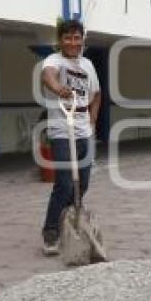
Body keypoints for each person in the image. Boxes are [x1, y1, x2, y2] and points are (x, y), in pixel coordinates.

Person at [40, 19, 101, 255]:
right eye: (68, 38)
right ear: (60, 40)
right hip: (61, 129)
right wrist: (58, 89)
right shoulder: (53, 61)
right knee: (65, 183)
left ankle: (68, 218)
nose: (73, 42)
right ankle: (50, 231)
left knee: (82, 183)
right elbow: (48, 76)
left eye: (77, 38)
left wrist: (93, 121)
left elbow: (96, 94)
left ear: (82, 40)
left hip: (84, 129)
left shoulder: (88, 65)